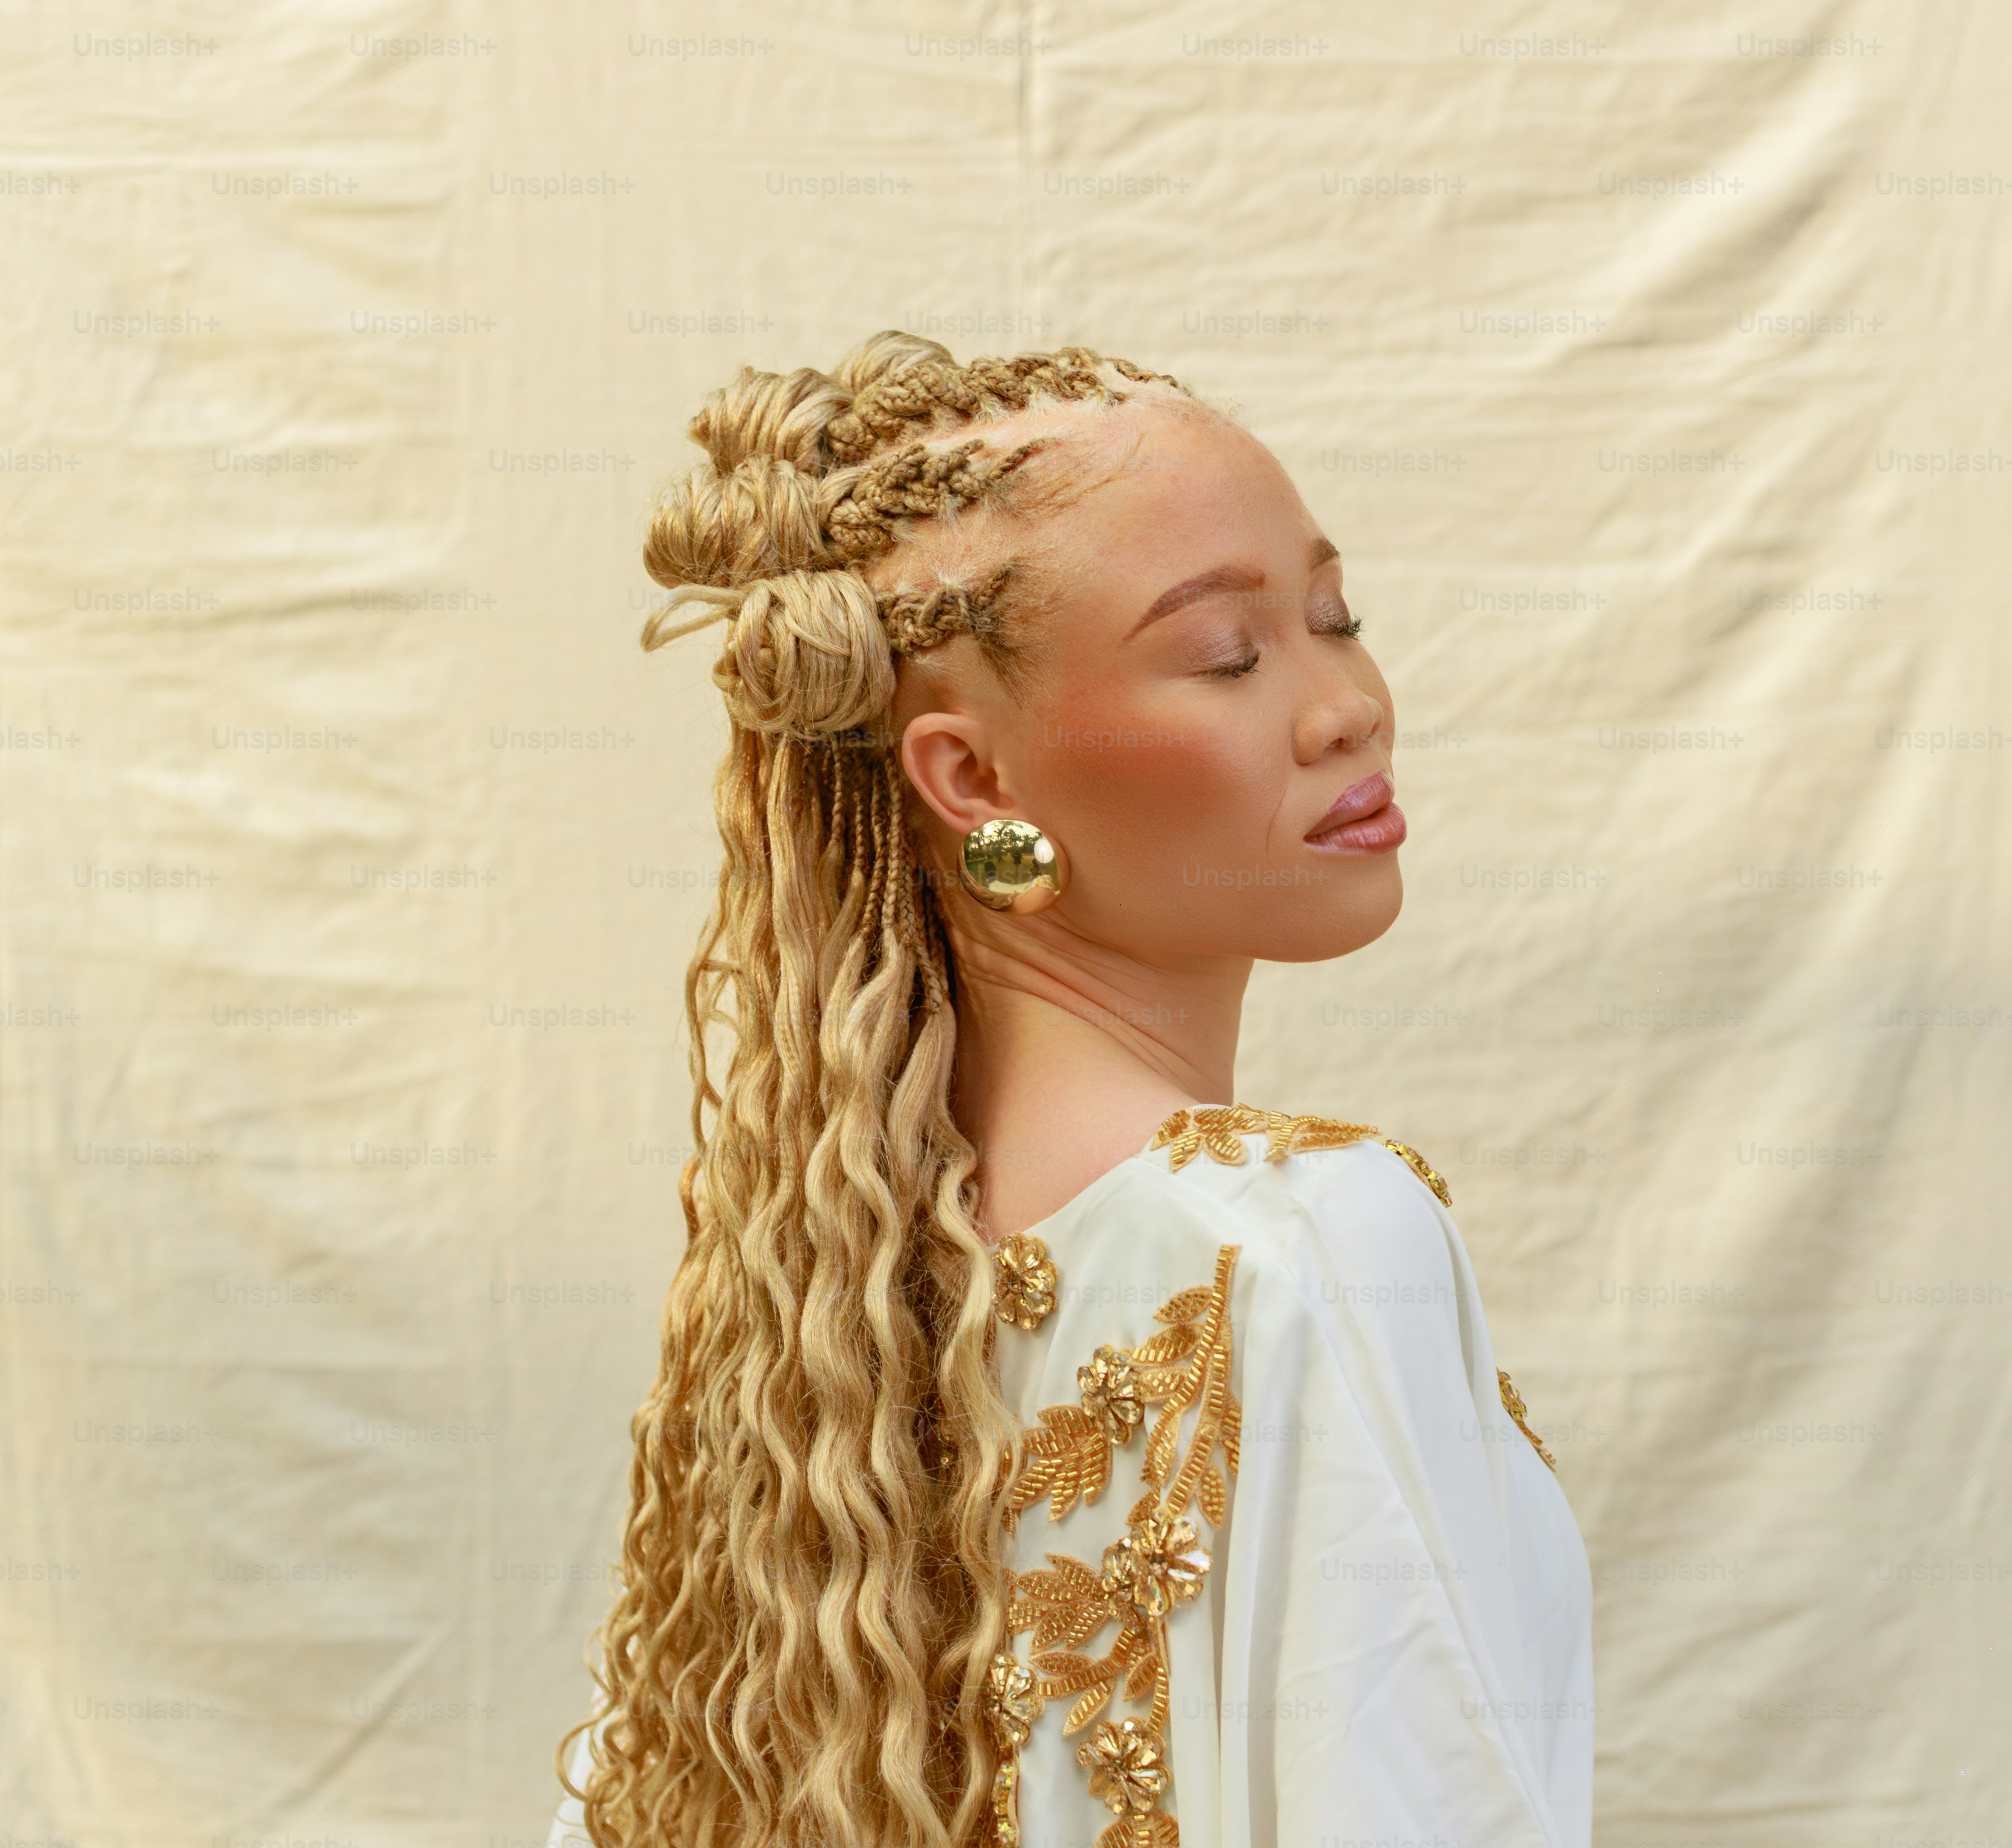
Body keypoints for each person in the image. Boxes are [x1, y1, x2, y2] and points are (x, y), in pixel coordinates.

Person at [549, 334, 1592, 1848]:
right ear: (969, 782)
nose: (1346, 706)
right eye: (1229, 655)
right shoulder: (1303, 1245)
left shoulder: (812, 1307)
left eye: (1332, 615)